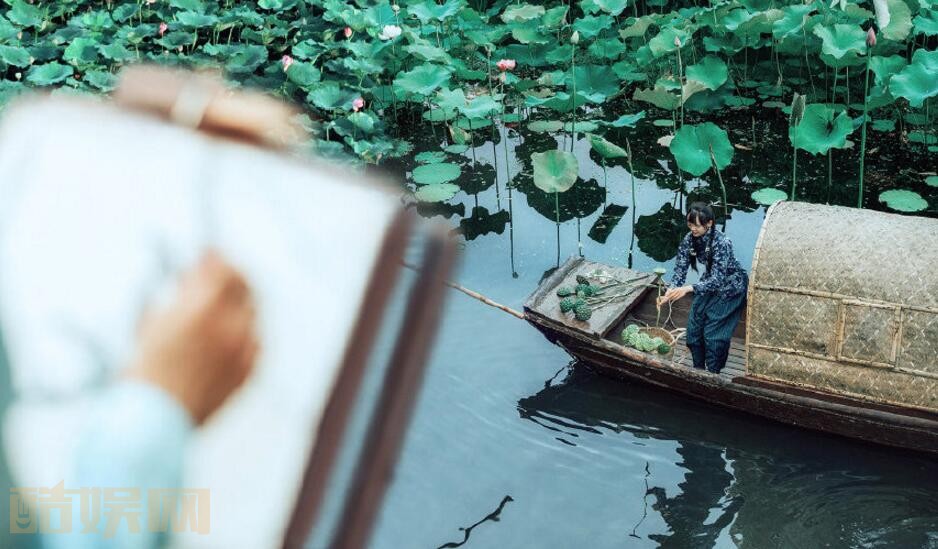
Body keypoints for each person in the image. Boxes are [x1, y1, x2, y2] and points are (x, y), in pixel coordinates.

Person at [657, 202, 748, 374]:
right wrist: (670, 292)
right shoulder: (689, 239)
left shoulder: (722, 242)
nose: (693, 229)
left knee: (713, 335)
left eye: (697, 225)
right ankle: (698, 369)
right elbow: (680, 269)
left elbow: (718, 279)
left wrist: (688, 288)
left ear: (709, 224)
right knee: (693, 329)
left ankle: (713, 373)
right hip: (709, 282)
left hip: (731, 287)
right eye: (690, 225)